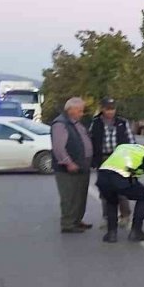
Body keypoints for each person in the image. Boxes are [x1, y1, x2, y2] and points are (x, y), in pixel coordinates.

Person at [96, 137, 144, 243]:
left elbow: (125, 164)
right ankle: (136, 232)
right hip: (120, 179)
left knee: (111, 201)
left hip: (102, 178)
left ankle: (111, 234)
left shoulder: (124, 146)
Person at [89, 97, 135, 229]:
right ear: (102, 109)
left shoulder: (122, 122)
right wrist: (93, 160)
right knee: (105, 190)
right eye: (108, 109)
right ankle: (107, 217)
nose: (110, 112)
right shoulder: (96, 123)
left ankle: (125, 216)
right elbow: (91, 141)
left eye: (112, 109)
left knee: (121, 190)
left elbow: (131, 142)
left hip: (120, 159)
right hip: (103, 160)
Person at [50, 97, 93, 234]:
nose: (82, 113)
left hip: (82, 165)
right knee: (69, 196)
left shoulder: (76, 123)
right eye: (79, 110)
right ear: (70, 110)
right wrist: (68, 162)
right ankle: (68, 223)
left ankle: (77, 220)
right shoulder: (60, 124)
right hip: (68, 168)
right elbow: (59, 147)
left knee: (80, 195)